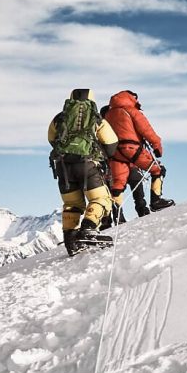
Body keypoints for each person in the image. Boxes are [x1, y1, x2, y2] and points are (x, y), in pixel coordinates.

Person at [48, 89, 119, 255]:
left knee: (72, 204)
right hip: (87, 165)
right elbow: (111, 144)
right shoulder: (96, 119)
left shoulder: (59, 118)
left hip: (63, 167)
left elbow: (51, 139)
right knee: (100, 198)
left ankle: (71, 241)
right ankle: (88, 229)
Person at [102, 90, 174, 215]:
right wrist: (157, 145)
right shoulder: (131, 111)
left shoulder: (108, 115)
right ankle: (156, 201)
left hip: (115, 153)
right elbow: (146, 129)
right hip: (132, 149)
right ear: (132, 98)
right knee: (158, 170)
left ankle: (116, 215)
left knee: (118, 184)